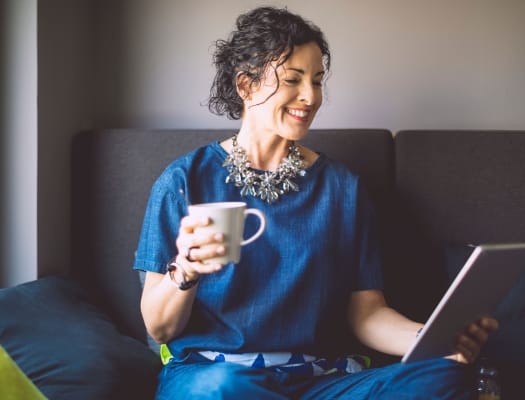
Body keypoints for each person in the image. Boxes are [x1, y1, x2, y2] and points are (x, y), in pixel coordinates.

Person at [134, 6, 498, 399]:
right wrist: (185, 271)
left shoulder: (342, 188)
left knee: (443, 377)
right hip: (214, 376)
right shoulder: (184, 181)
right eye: (293, 79)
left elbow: (367, 315)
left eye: (318, 81)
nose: (310, 97)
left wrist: (436, 340)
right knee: (219, 391)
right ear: (245, 84)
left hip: (319, 383)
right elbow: (159, 329)